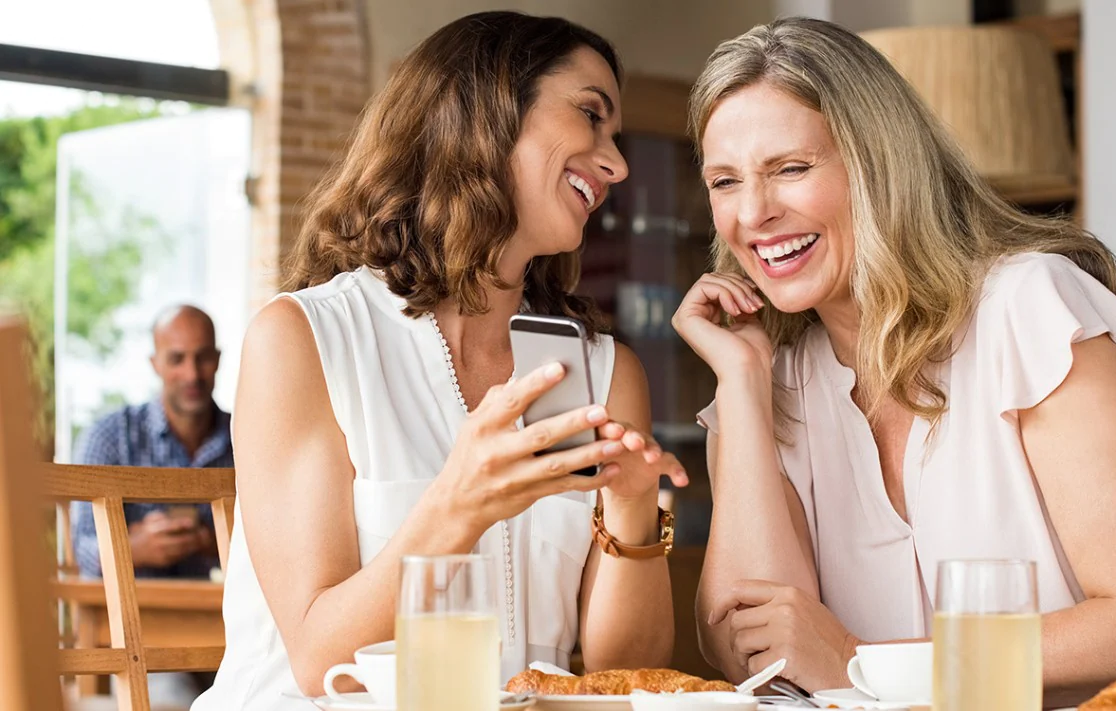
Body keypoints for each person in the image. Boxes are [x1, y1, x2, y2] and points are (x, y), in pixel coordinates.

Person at [671, 17, 1116, 707]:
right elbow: (754, 652)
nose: (753, 213)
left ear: (880, 164)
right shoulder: (769, 383)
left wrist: (860, 662)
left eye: (791, 169)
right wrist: (743, 385)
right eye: (725, 181)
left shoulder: (1029, 307)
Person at [193, 12, 687, 710]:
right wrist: (458, 505)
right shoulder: (304, 339)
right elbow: (318, 661)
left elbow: (622, 672)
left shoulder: (605, 374)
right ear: (488, 109)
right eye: (589, 114)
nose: (618, 163)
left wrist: (632, 507)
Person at [71, 304, 226, 581]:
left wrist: (210, 540)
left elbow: (275, 542)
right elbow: (82, 546)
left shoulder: (245, 438)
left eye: (202, 358)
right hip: (124, 604)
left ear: (217, 360)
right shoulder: (109, 436)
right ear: (155, 364)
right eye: (177, 359)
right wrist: (132, 549)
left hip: (210, 605)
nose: (192, 374)